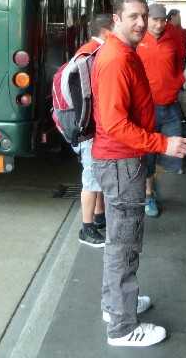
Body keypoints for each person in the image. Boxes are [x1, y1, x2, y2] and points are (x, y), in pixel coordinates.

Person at [91, 0, 186, 347]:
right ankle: (122, 327)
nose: (141, 22)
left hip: (122, 160)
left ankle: (116, 305)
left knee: (119, 240)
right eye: (132, 16)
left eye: (144, 16)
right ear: (116, 19)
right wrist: (162, 143)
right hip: (121, 162)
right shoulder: (117, 59)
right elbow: (116, 124)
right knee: (125, 243)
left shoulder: (123, 52)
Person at [136, 4, 186, 218]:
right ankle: (148, 195)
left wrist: (177, 84)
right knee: (148, 154)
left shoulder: (172, 38)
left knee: (174, 154)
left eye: (162, 20)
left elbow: (180, 63)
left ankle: (151, 185)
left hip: (170, 105)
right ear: (147, 20)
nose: (158, 25)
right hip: (147, 108)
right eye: (154, 20)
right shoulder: (137, 39)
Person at [75, 14, 113, 247]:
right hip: (90, 128)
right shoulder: (94, 54)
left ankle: (99, 217)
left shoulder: (87, 50)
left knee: (96, 174)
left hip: (89, 126)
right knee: (90, 178)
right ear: (107, 32)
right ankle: (86, 228)